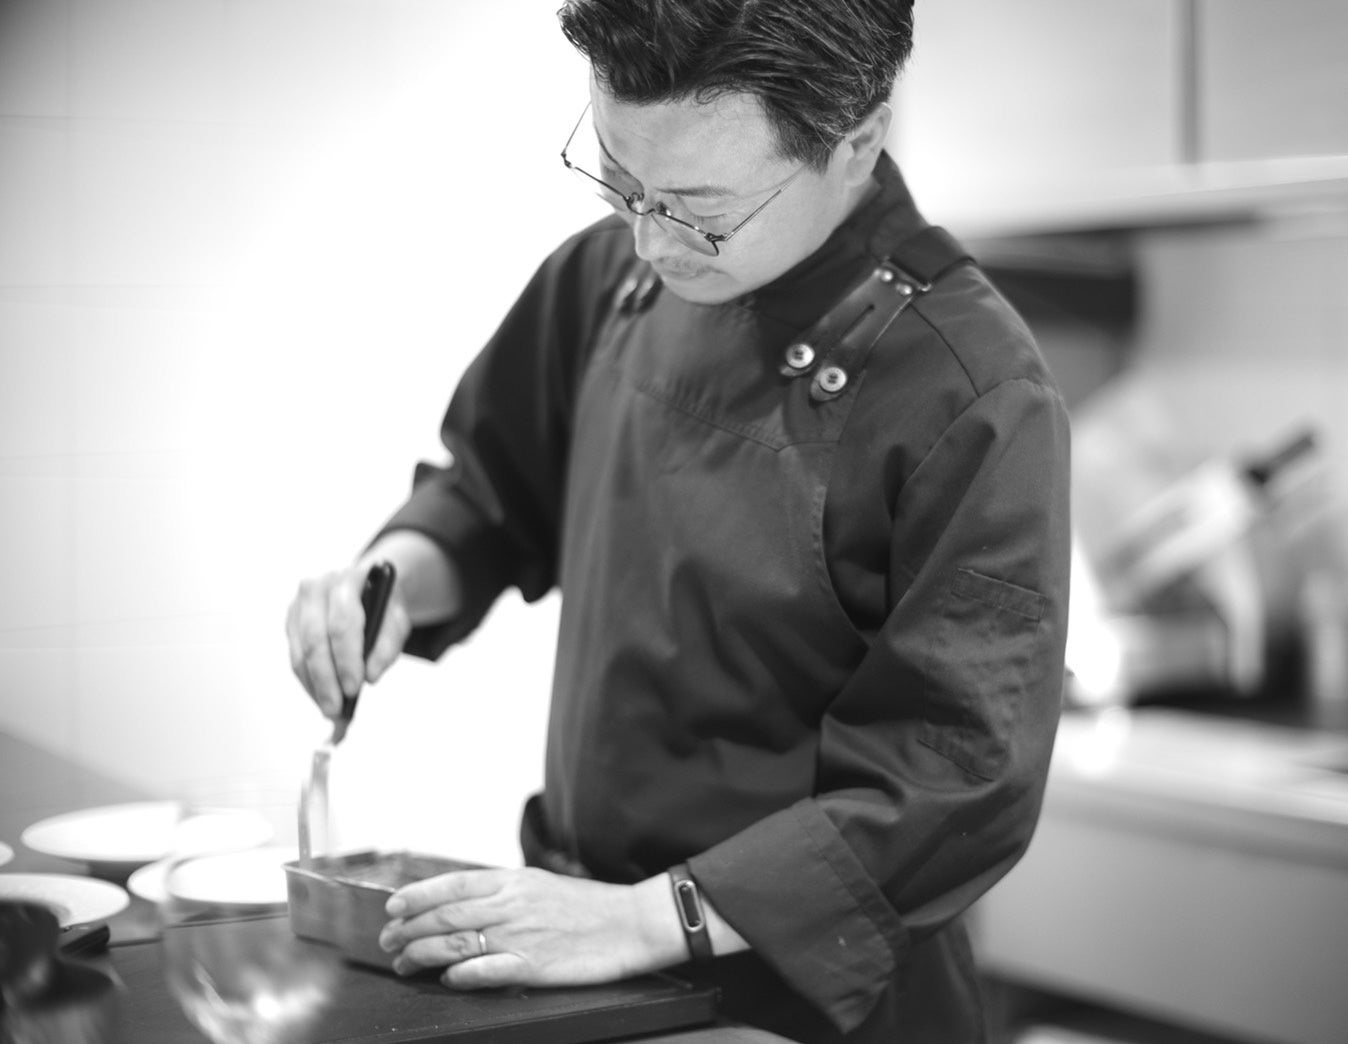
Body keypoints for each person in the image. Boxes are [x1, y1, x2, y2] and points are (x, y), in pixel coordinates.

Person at [284, 1, 1071, 1041]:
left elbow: (949, 780)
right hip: (575, 954)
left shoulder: (975, 392)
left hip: (804, 1002)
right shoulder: (606, 277)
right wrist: (390, 580)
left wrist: (639, 922)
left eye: (699, 211)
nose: (649, 239)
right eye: (620, 182)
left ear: (855, 142)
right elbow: (487, 492)